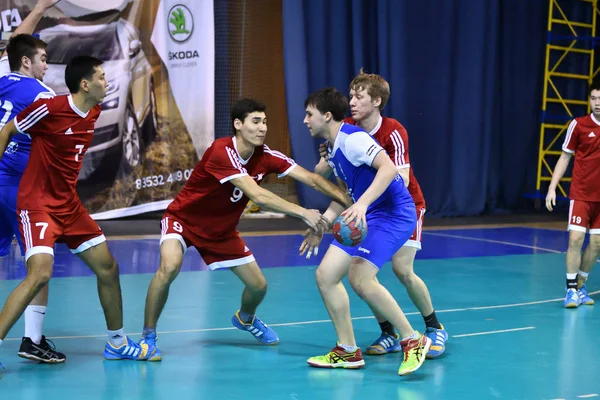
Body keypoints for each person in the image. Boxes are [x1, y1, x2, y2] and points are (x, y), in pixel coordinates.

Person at [139, 98, 351, 361]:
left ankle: (245, 319)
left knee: (258, 286)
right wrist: (302, 212)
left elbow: (312, 179)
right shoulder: (221, 151)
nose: (262, 128)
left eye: (264, 122)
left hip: (222, 231)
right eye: (255, 121)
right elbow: (257, 195)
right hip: (184, 221)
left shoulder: (267, 156)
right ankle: (148, 338)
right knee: (169, 267)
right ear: (238, 125)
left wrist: (349, 198)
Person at [0, 56, 156, 368]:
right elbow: (7, 131)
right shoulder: (49, 108)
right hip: (37, 204)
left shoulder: (95, 110)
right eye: (101, 77)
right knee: (40, 273)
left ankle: (117, 343)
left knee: (108, 268)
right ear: (84, 84)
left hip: (69, 207)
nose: (107, 82)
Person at [313, 70, 448, 357]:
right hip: (370, 208)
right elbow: (329, 174)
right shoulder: (346, 129)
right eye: (350, 96)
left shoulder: (393, 131)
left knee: (401, 269)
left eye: (359, 97)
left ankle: (433, 326)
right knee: (360, 273)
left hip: (402, 205)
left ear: (376, 101)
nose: (352, 102)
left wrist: (361, 203)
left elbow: (400, 177)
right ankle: (388, 332)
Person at [0, 0, 65, 363]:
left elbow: (16, 40)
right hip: (21, 191)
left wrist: (40, 7)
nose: (46, 65)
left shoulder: (0, 76)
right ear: (27, 61)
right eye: (42, 60)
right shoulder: (44, 97)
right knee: (39, 266)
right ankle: (32, 339)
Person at [546, 82, 600, 308]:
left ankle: (580, 285)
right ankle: (570, 291)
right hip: (581, 194)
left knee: (596, 244)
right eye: (594, 98)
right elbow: (565, 157)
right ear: (589, 100)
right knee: (576, 239)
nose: (598, 103)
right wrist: (552, 187)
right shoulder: (578, 125)